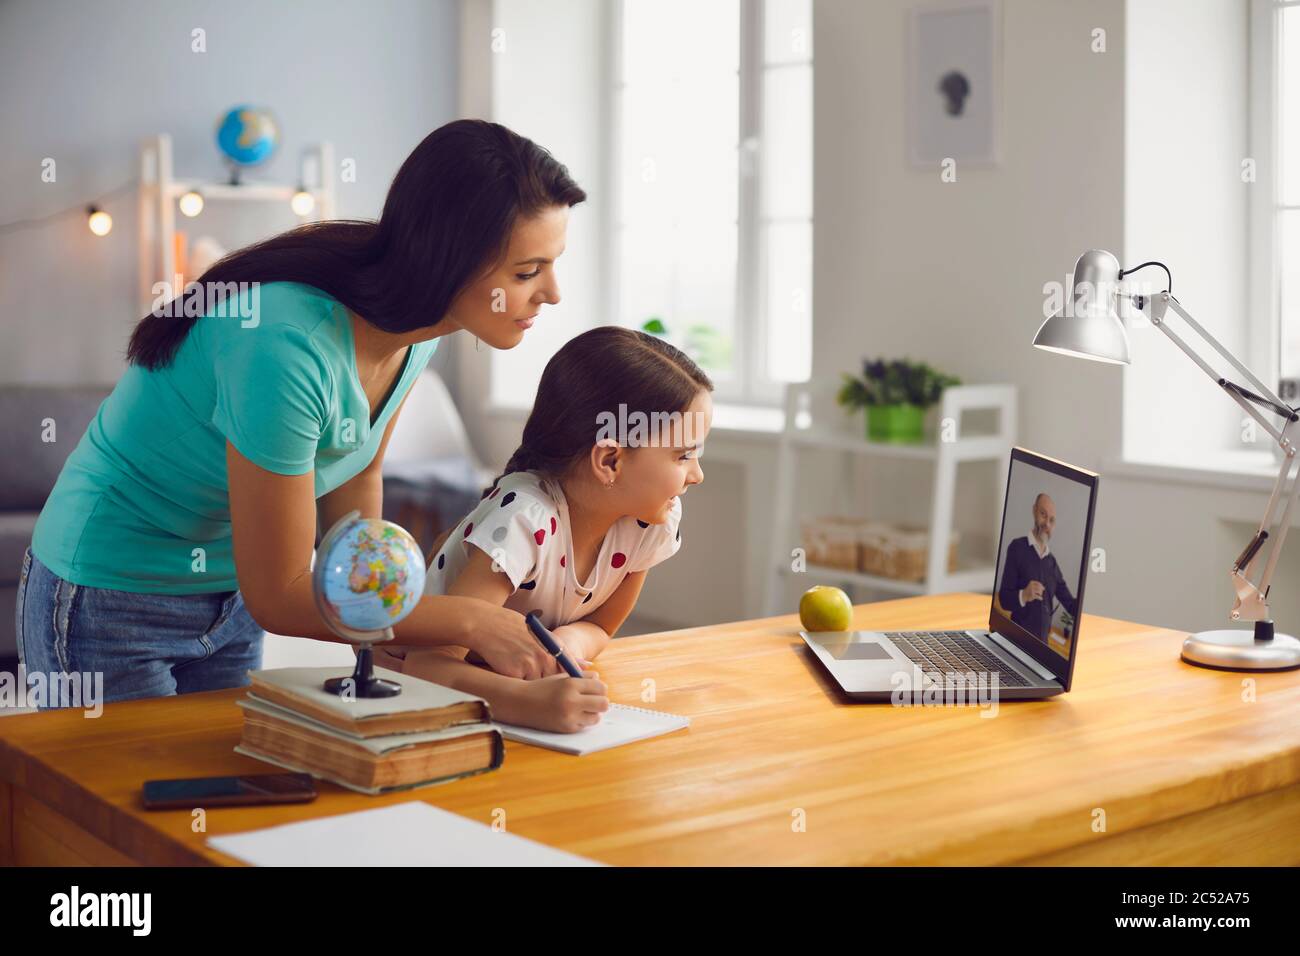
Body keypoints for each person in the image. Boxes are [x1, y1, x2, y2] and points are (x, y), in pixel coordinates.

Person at [18, 120, 588, 708]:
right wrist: (466, 622)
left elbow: (358, 467)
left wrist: (375, 607)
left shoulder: (421, 332)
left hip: (231, 596)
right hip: (112, 593)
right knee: (113, 796)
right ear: (448, 261)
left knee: (226, 793)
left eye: (552, 264)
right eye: (527, 272)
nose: (552, 293)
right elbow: (282, 593)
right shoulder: (285, 344)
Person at [384, 327, 713, 732]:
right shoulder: (524, 519)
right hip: (421, 710)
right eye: (683, 455)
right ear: (610, 460)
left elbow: (600, 627)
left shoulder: (647, 524)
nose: (696, 475)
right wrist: (524, 702)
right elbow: (425, 667)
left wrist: (566, 646)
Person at [997, 493, 1078, 643]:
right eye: (1043, 514)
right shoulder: (1017, 548)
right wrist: (1024, 595)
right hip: (1016, 642)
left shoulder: (1052, 562)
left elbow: (1071, 605)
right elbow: (1003, 599)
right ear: (1034, 511)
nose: (1047, 523)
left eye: (1052, 520)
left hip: (1042, 647)